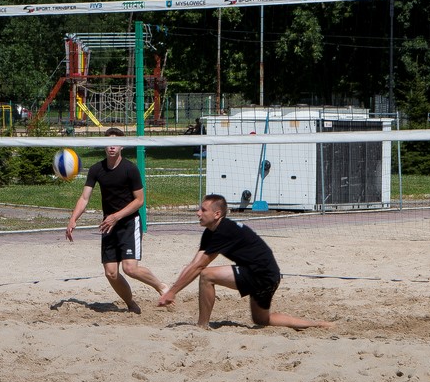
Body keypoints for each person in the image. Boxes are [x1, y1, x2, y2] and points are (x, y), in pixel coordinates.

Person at [157, 194, 332, 330]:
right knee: (262, 319)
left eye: (203, 210)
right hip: (270, 275)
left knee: (206, 275)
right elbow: (193, 264)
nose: (198, 213)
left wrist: (172, 292)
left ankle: (202, 326)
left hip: (261, 275)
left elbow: (199, 267)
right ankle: (317, 324)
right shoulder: (211, 231)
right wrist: (172, 290)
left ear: (217, 214)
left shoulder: (223, 231)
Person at [65, 127, 167, 314]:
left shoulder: (130, 169)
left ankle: (162, 287)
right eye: (108, 143)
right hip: (109, 225)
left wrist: (116, 216)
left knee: (130, 268)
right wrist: (73, 219)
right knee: (111, 273)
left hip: (128, 223)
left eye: (116, 143)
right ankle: (131, 304)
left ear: (122, 146)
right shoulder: (96, 169)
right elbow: (84, 198)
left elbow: (139, 200)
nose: (112, 147)